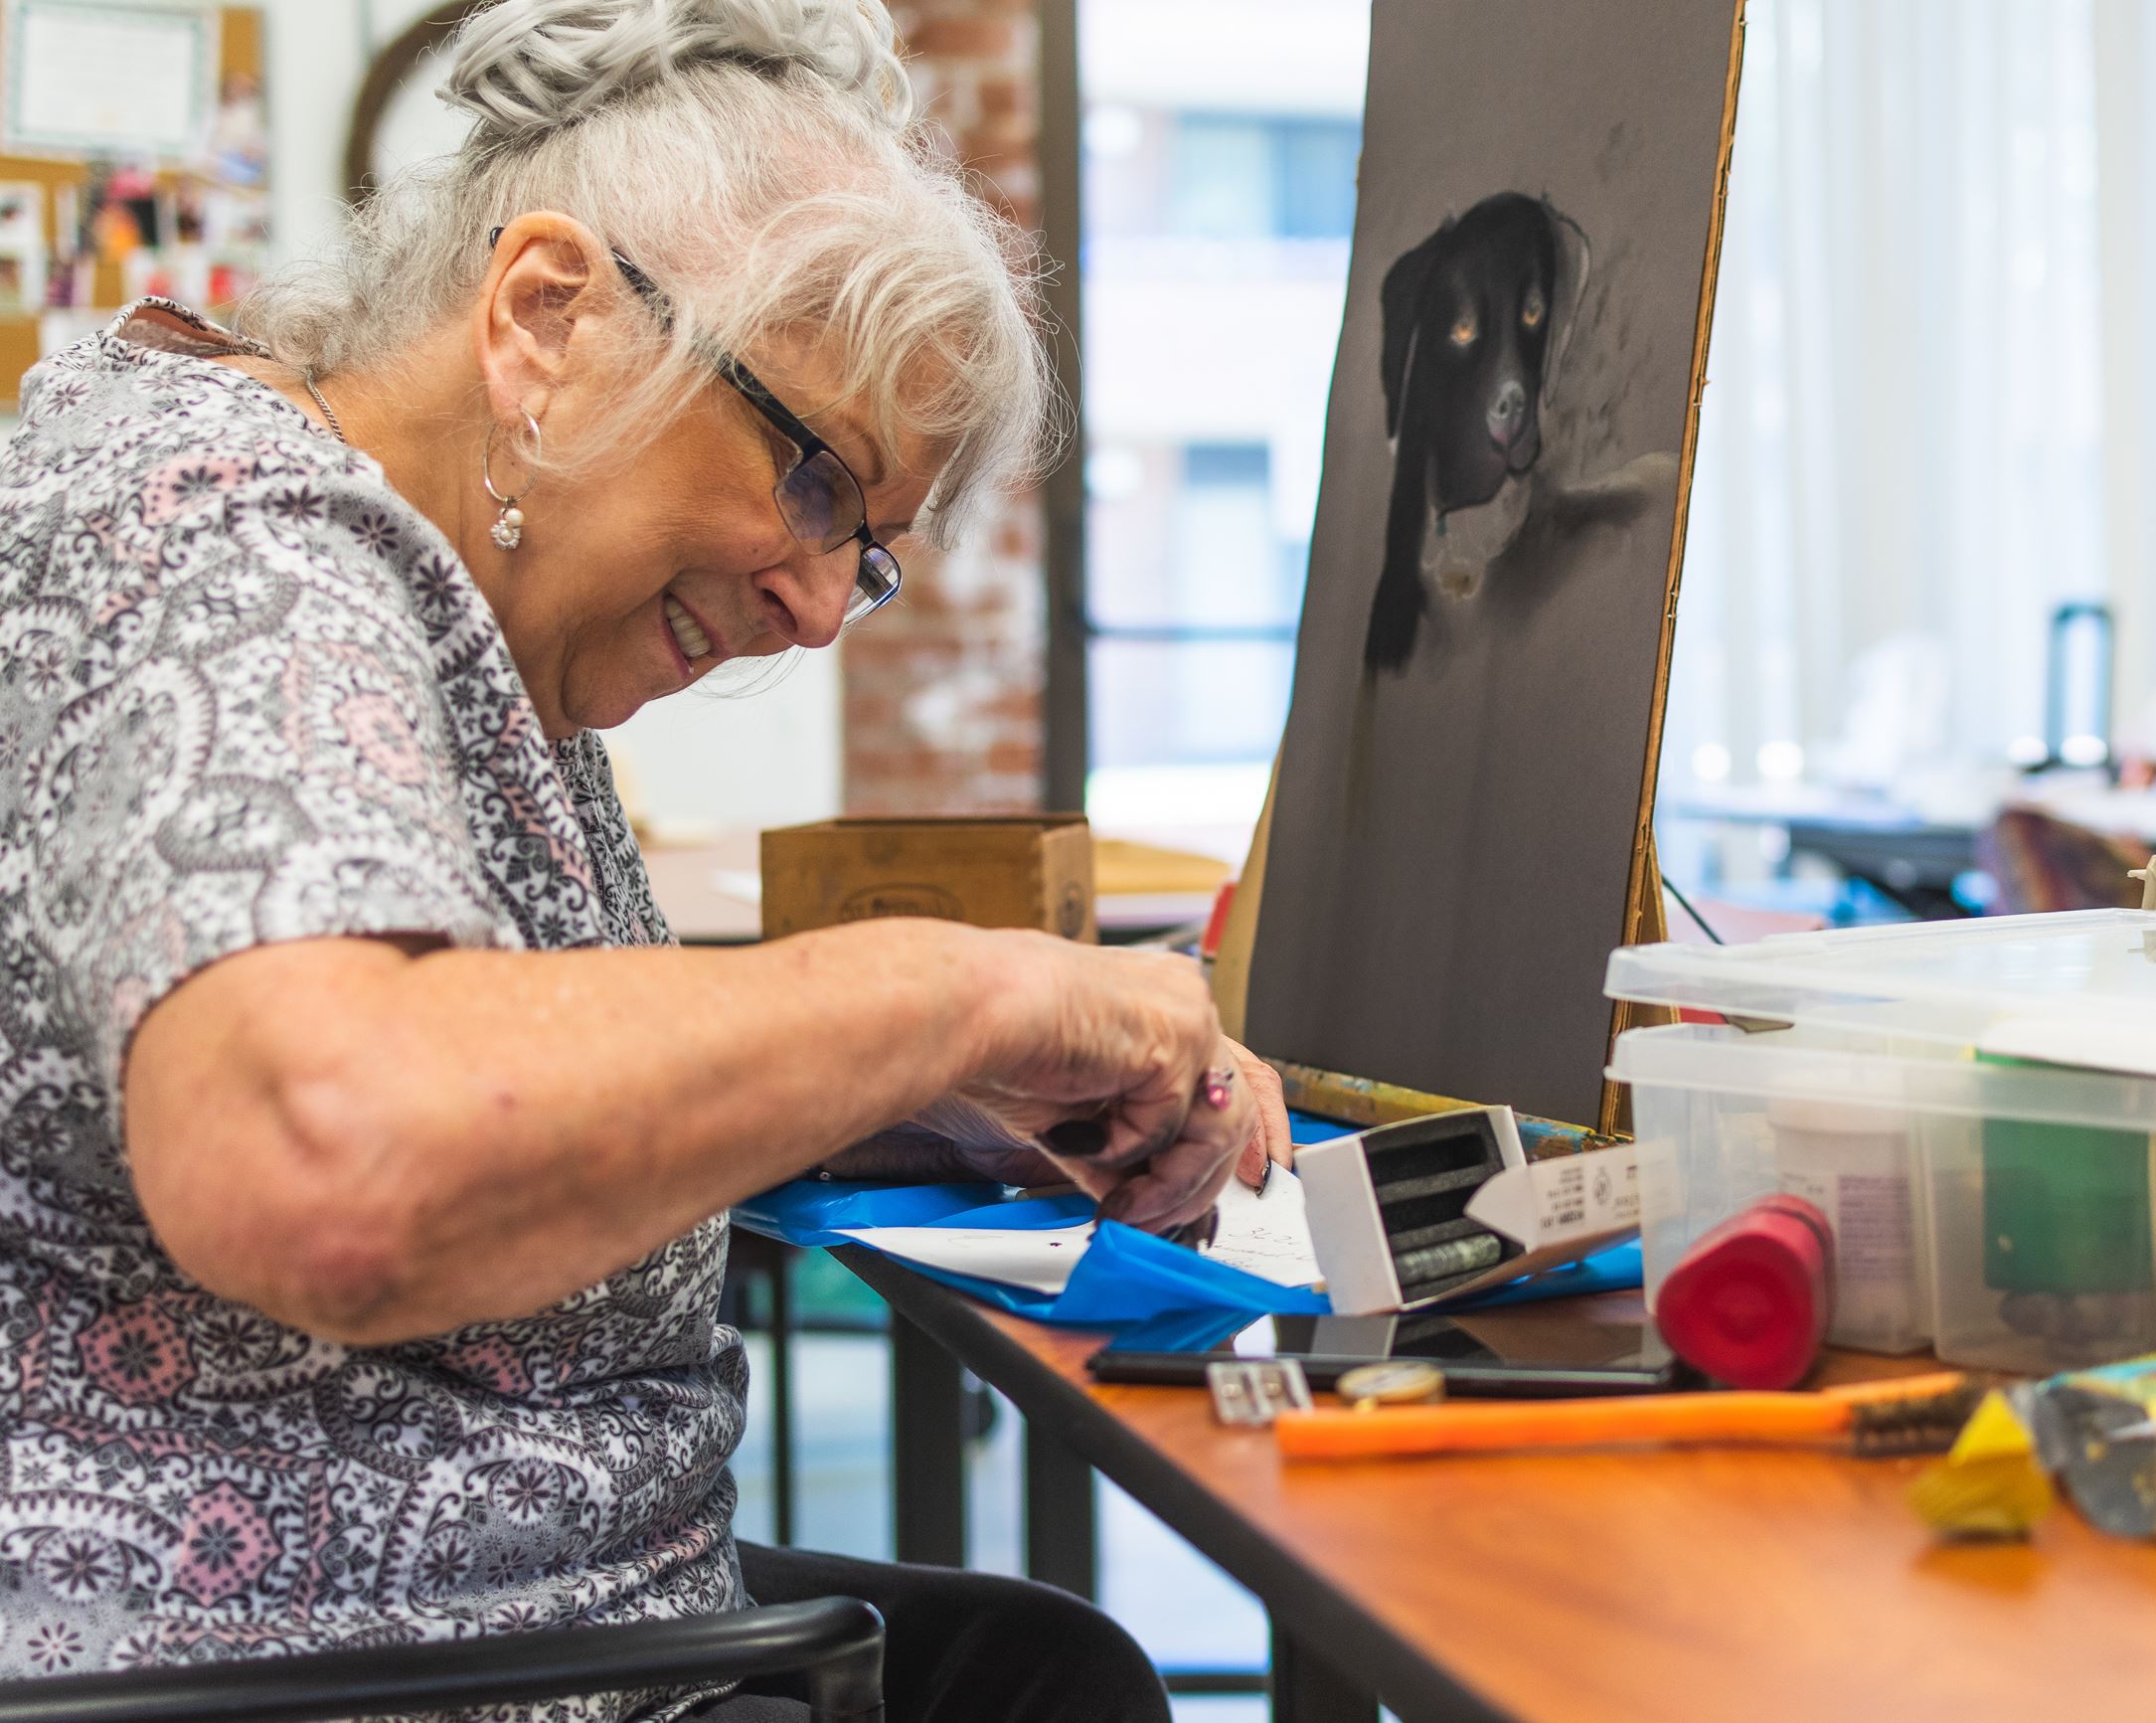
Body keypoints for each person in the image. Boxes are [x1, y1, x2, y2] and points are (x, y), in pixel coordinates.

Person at [0, 2, 1291, 1718]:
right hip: (316, 1654)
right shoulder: (236, 549)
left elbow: (504, 1032)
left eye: (872, 556)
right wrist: (947, 985)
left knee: (1049, 1663)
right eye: (819, 482)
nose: (824, 609)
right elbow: (325, 1147)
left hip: (507, 1604)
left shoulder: (446, 592)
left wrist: (933, 1082)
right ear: (546, 316)